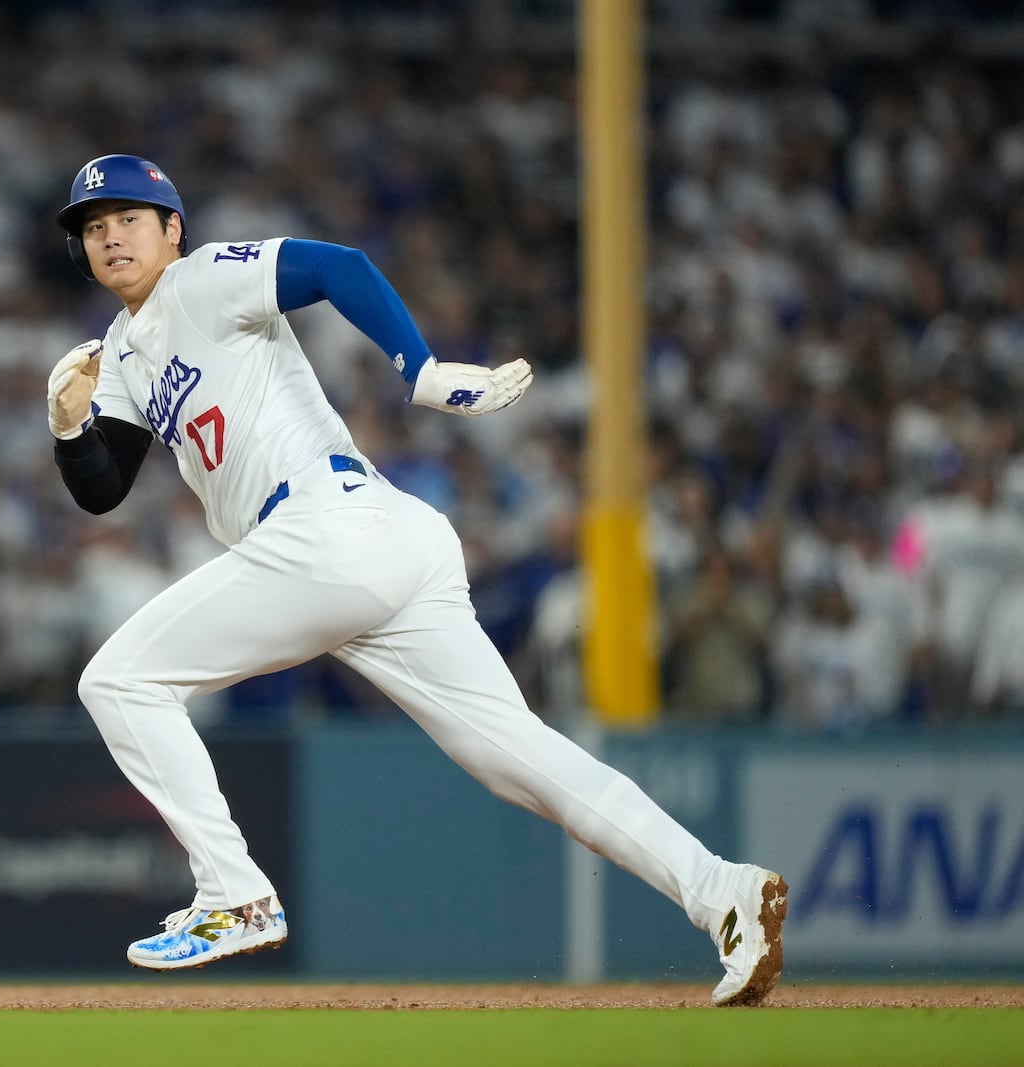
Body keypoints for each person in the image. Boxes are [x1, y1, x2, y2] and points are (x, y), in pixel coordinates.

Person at [45, 154, 787, 1006]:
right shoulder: (128, 354)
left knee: (120, 679)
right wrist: (69, 427)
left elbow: (337, 267)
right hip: (375, 544)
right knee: (520, 758)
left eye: (129, 219)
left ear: (173, 229)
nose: (110, 237)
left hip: (327, 528)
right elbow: (102, 489)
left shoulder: (201, 280)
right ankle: (723, 889)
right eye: (94, 229)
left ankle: (232, 893)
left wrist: (421, 370)